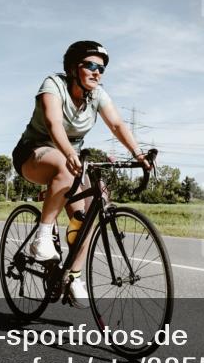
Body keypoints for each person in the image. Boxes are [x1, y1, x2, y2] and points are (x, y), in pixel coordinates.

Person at [12, 40, 150, 307]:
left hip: (70, 159)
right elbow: (53, 123)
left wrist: (138, 155)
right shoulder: (54, 84)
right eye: (90, 66)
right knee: (64, 166)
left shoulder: (97, 95)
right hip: (35, 153)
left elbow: (118, 124)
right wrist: (69, 152)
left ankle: (73, 274)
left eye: (101, 68)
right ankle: (42, 237)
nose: (97, 72)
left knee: (91, 208)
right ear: (74, 68)